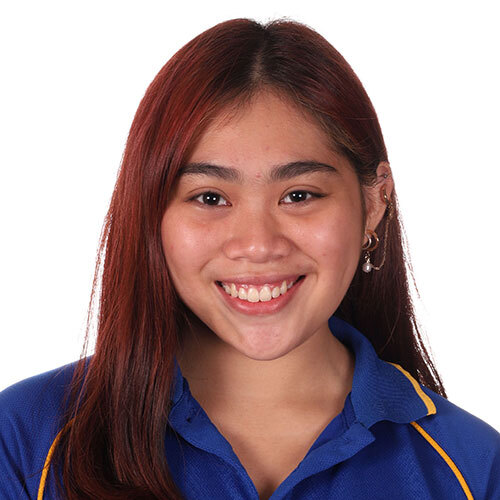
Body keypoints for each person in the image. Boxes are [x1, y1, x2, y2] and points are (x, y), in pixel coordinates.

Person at [1, 17, 499, 500]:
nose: (258, 245)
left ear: (374, 202)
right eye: (210, 198)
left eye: (299, 195)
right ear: (150, 211)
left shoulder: (475, 470)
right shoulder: (25, 443)